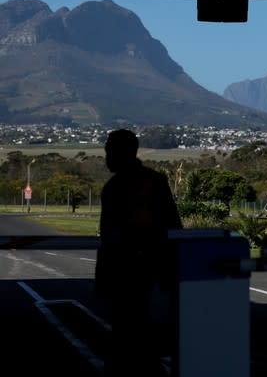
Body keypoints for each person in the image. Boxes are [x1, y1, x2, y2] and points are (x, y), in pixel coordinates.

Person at [95, 128, 183, 377]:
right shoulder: (155, 181)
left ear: (120, 153)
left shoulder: (115, 188)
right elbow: (173, 225)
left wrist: (104, 274)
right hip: (151, 268)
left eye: (109, 151)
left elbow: (110, 236)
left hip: (128, 270)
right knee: (141, 329)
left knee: (127, 330)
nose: (106, 157)